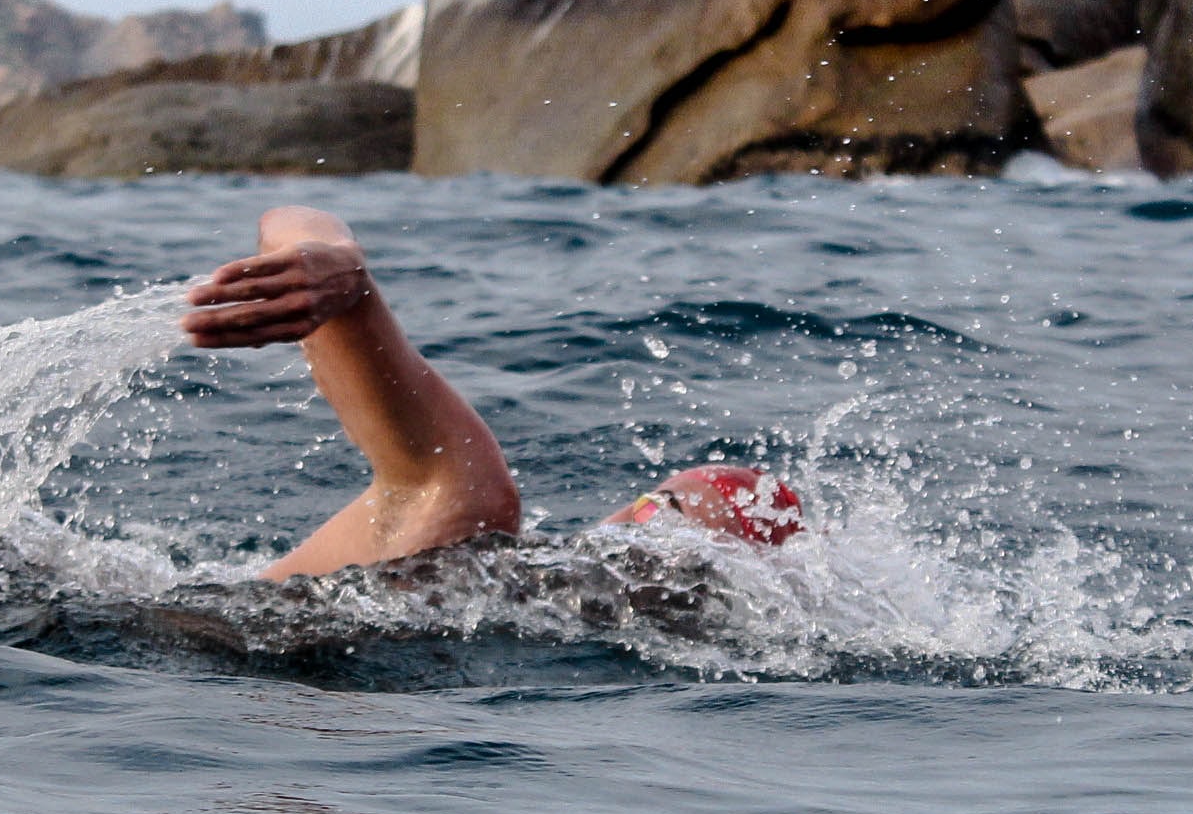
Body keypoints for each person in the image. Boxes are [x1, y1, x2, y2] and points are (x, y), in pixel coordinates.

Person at [182, 205, 801, 580]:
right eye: (661, 513)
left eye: (708, 561)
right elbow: (289, 217)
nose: (659, 546)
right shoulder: (474, 520)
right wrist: (337, 264)